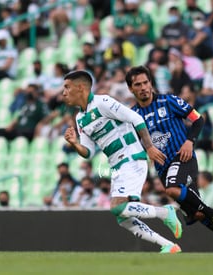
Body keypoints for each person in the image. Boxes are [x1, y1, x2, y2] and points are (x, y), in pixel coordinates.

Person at [127, 65, 213, 252]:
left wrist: (189, 141)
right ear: (131, 89)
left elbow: (198, 119)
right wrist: (147, 151)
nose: (143, 87)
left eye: (146, 82)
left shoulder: (168, 101)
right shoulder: (133, 116)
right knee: (198, 214)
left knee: (172, 190)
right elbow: (135, 146)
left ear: (151, 83)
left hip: (183, 157)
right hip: (162, 168)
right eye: (138, 84)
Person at [63, 70, 182, 254]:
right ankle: (168, 245)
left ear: (80, 88)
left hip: (131, 158)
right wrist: (75, 144)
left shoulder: (103, 102)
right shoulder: (80, 118)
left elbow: (136, 118)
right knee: (122, 216)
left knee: (117, 207)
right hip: (117, 166)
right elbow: (88, 152)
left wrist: (149, 147)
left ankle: (165, 212)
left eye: (67, 87)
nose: (64, 92)